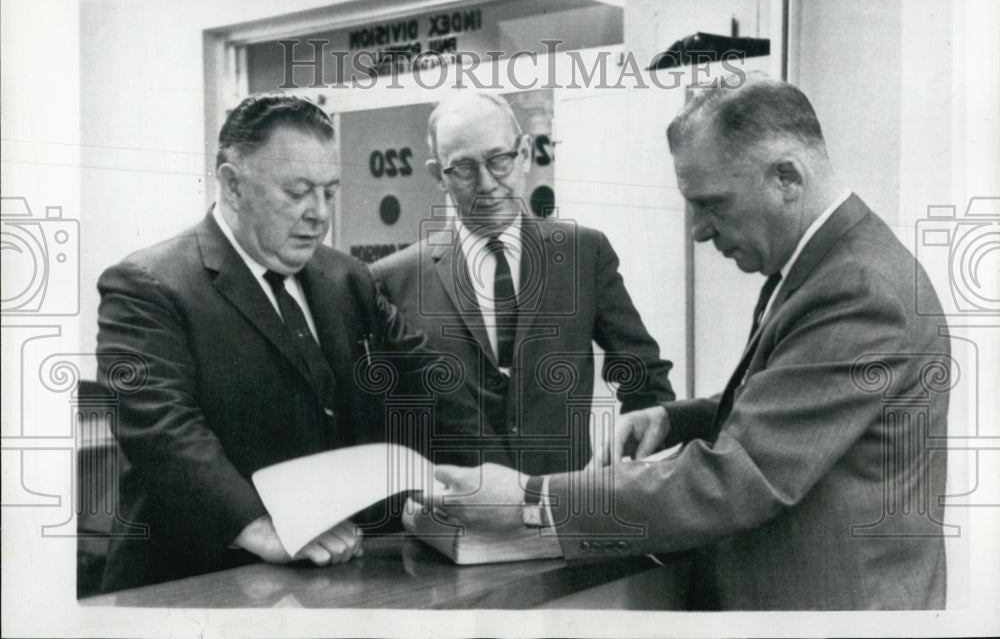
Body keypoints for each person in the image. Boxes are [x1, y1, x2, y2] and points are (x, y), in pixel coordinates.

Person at [429, 76, 951, 610]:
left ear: (788, 177)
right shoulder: (827, 267)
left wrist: (531, 499)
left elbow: (737, 478)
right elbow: (793, 396)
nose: (698, 230)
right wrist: (679, 419)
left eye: (712, 204)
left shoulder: (857, 289)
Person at [95, 94, 440, 591]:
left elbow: (427, 381)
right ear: (233, 185)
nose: (319, 214)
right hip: (188, 583)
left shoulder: (349, 278)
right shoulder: (147, 285)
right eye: (297, 192)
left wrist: (498, 488)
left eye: (329, 192)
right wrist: (259, 526)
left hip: (328, 576)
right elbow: (161, 430)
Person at [371, 91, 675, 476]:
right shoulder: (392, 280)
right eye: (463, 167)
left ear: (526, 154)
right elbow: (383, 416)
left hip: (563, 502)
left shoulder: (583, 254)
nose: (487, 183)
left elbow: (646, 380)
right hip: (454, 506)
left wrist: (622, 472)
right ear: (437, 176)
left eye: (499, 159)